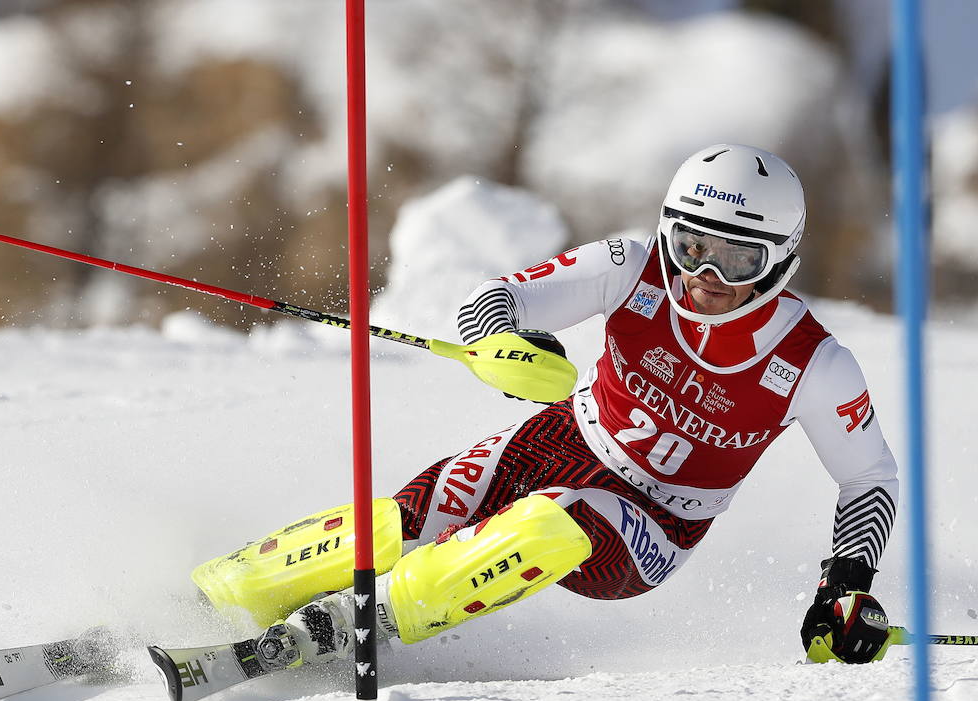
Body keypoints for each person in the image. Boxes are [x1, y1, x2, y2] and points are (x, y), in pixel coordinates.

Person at [192, 143, 899, 669]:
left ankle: (360, 620)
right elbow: (495, 298)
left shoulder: (814, 361)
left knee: (554, 520)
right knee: (404, 519)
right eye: (691, 245)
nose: (704, 277)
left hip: (653, 525)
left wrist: (845, 582)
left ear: (777, 261)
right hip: (563, 436)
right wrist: (499, 339)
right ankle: (226, 589)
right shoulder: (632, 266)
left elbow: (869, 476)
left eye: (736, 260)